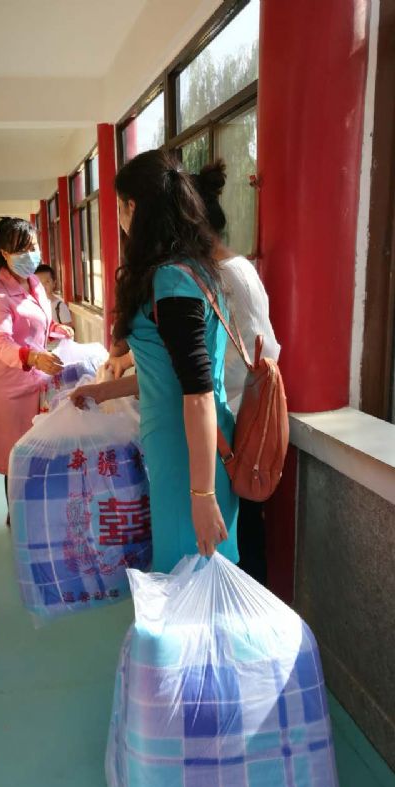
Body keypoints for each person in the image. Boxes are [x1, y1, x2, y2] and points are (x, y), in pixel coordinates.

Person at [72, 150, 238, 572]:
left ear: (133, 207)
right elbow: (170, 376)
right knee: (193, 579)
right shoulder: (193, 269)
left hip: (189, 458)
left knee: (189, 576)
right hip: (190, 450)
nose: (119, 218)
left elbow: (198, 392)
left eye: (119, 206)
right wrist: (105, 391)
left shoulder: (171, 280)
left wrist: (202, 496)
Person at [192, 160, 280, 585]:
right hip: (253, 423)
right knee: (250, 534)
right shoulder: (240, 267)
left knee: (237, 540)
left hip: (236, 429)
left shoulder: (219, 278)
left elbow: (218, 363)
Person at [0, 217, 73, 522]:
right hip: (6, 389)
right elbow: (0, 342)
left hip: (35, 380)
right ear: (5, 253)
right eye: (23, 249)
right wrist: (33, 357)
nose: (31, 255)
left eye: (33, 247)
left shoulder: (33, 284)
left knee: (37, 451)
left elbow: (37, 323)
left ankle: (36, 514)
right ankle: (18, 520)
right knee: (16, 456)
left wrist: (56, 329)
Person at [35, 264, 74, 328]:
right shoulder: (32, 304)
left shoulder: (59, 306)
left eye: (47, 282)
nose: (43, 286)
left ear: (54, 283)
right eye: (39, 282)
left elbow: (68, 330)